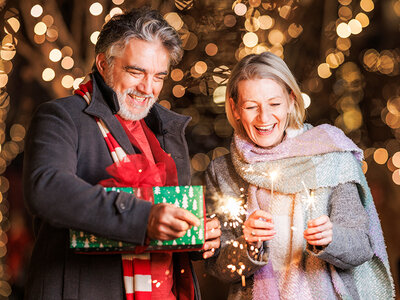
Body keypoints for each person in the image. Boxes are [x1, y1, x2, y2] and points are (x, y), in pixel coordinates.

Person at [23, 8, 220, 300]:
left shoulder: (164, 132)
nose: (148, 88)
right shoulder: (61, 116)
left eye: (158, 76)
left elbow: (166, 216)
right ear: (103, 65)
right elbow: (46, 189)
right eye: (136, 71)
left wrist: (194, 233)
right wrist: (144, 218)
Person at [205, 52, 394, 299]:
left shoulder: (329, 154)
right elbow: (218, 266)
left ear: (291, 100)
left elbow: (362, 247)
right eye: (251, 106)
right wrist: (247, 245)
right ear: (235, 108)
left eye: (274, 104)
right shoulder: (223, 171)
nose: (264, 118)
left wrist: (331, 238)